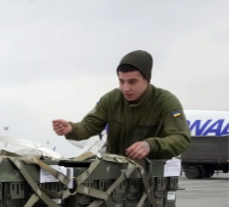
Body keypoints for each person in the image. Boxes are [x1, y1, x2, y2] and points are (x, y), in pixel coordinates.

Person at [52, 50, 191, 160]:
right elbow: (90, 125)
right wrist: (72, 128)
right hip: (116, 175)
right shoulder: (112, 99)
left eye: (132, 82)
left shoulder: (165, 102)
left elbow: (180, 139)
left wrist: (150, 145)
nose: (125, 88)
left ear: (147, 79)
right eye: (121, 81)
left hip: (151, 176)